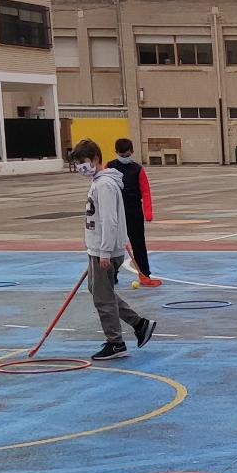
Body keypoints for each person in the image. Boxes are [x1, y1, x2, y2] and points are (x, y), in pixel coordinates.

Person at [71, 138, 155, 360]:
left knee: (102, 298)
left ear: (95, 159)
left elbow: (110, 220)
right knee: (100, 291)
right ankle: (139, 324)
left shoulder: (105, 185)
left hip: (103, 251)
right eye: (77, 163)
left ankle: (115, 342)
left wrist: (105, 252)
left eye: (83, 162)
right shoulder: (99, 182)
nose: (81, 167)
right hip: (96, 249)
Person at [107, 138, 159, 286]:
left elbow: (146, 191)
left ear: (132, 152)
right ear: (116, 152)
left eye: (127, 155)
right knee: (112, 246)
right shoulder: (109, 168)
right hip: (115, 212)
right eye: (121, 155)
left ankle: (144, 274)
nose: (124, 158)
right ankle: (112, 275)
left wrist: (148, 213)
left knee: (138, 244)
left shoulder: (138, 169)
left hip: (133, 211)